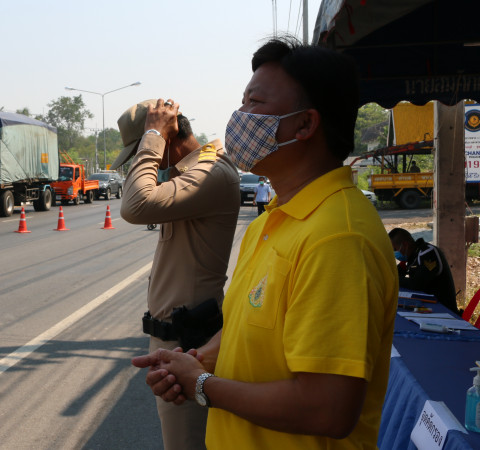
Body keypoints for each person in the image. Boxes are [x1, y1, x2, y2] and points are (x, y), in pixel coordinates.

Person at [132, 37, 398, 448]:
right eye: (242, 103)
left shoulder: (337, 238)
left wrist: (203, 386)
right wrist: (197, 360)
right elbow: (246, 328)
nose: (239, 117)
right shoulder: (271, 220)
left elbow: (327, 408)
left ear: (305, 124)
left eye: (254, 104)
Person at [114, 99, 240, 449]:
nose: (145, 162)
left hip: (192, 341)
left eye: (143, 152)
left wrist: (151, 136)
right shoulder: (189, 174)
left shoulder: (211, 171)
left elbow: (135, 206)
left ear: (167, 138)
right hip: (177, 339)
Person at [389, 227, 458, 314]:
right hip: (425, 306)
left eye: (395, 249)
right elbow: (396, 274)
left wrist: (391, 278)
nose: (394, 253)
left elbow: (416, 284)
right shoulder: (412, 256)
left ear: (405, 245)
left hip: (443, 310)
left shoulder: (428, 253)